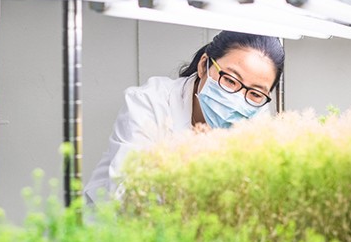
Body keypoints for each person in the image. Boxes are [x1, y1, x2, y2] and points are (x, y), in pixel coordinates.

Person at [84, 31, 285, 203]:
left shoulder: (256, 117)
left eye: (256, 94)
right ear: (204, 65)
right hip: (118, 234)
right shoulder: (150, 102)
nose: (239, 99)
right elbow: (127, 193)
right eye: (230, 80)